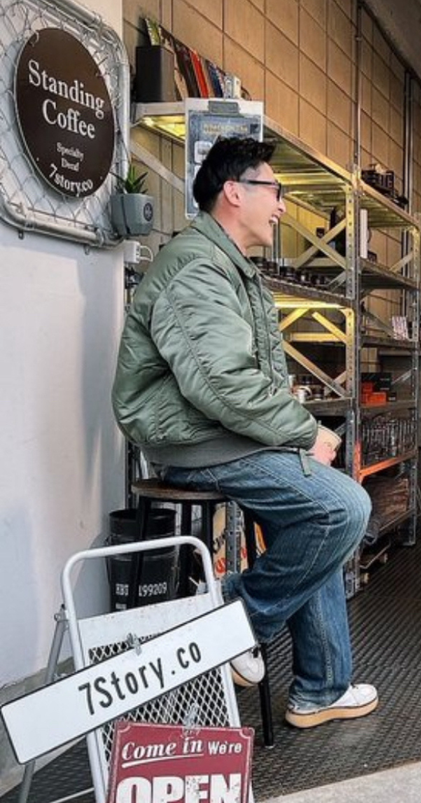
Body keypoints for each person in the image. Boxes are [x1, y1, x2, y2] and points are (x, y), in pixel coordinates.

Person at [111, 136, 377, 729]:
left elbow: (236, 378)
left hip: (222, 434)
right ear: (234, 191)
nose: (281, 205)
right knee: (343, 508)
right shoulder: (197, 267)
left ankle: (322, 687)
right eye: (274, 190)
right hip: (197, 442)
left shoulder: (228, 265)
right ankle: (231, 623)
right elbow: (223, 385)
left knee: (314, 514)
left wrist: (289, 426)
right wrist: (305, 433)